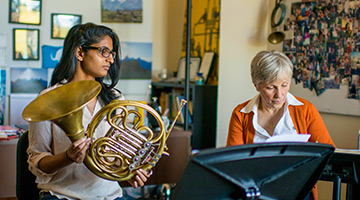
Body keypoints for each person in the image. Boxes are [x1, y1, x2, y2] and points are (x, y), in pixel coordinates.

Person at [27, 23, 151, 200]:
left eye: (112, 53)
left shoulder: (115, 98)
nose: (111, 60)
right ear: (80, 53)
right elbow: (37, 163)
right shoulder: (48, 99)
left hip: (110, 196)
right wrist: (68, 157)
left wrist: (130, 170)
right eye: (104, 52)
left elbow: (117, 156)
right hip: (62, 195)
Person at [227, 50, 335, 200]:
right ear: (256, 85)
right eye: (271, 87)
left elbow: (328, 153)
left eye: (284, 85)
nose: (280, 94)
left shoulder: (306, 110)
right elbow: (234, 163)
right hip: (256, 192)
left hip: (297, 190)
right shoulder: (241, 114)